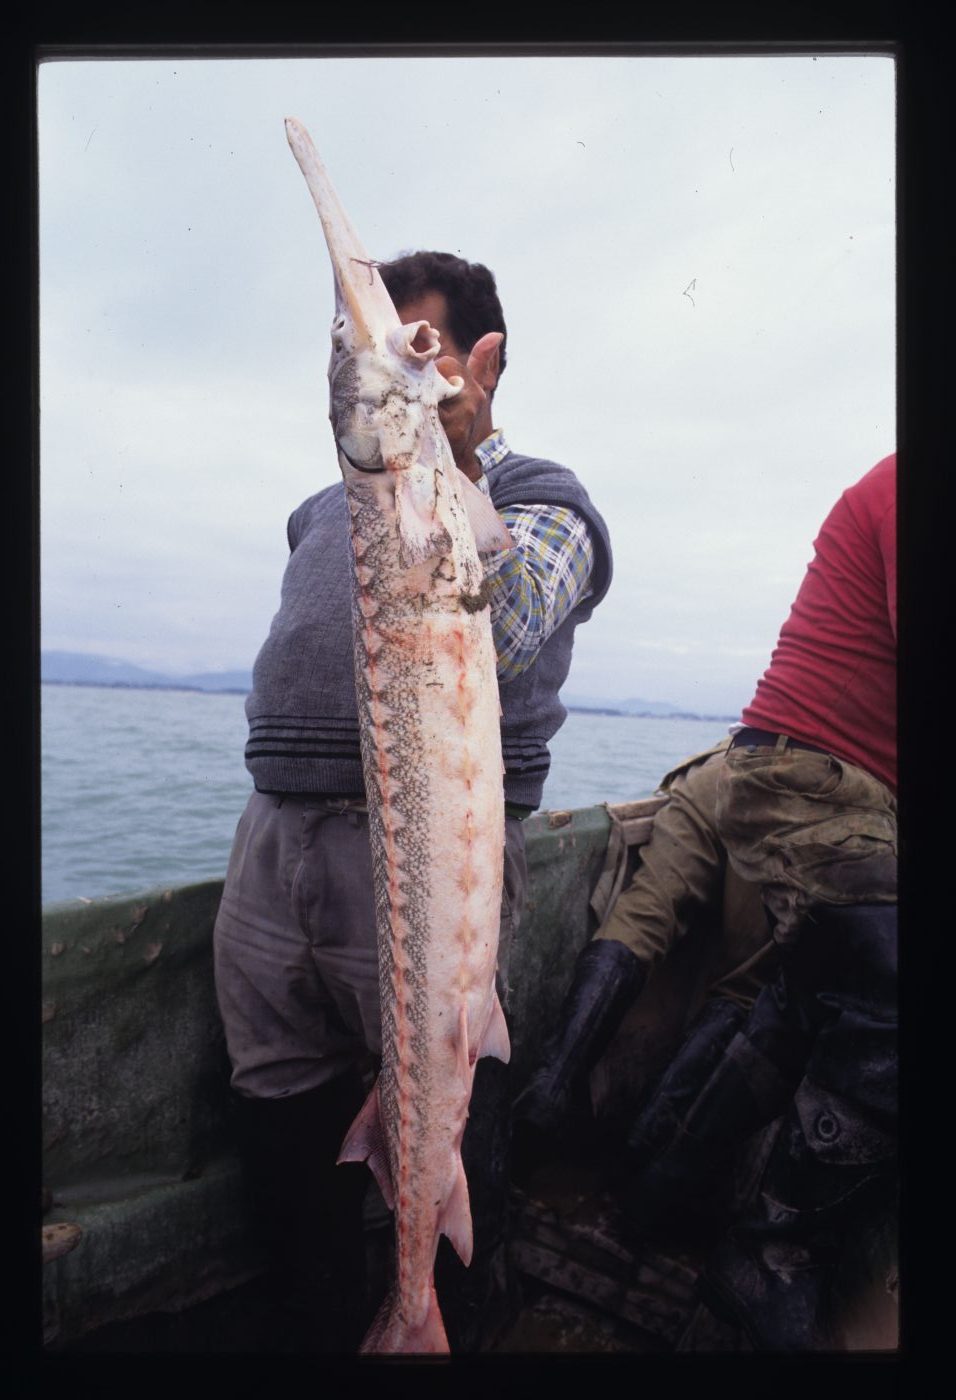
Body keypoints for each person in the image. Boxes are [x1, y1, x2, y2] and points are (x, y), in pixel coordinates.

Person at [212, 251, 612, 1352]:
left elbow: (506, 626)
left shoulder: (545, 497)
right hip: (273, 848)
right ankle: (320, 1328)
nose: (395, 374)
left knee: (447, 1115)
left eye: (419, 349)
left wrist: (458, 460)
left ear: (482, 363)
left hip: (438, 858)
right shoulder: (322, 507)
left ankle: (449, 1324)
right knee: (279, 1111)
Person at [699, 452, 898, 1351]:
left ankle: (667, 1181)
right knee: (900, 989)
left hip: (839, 792)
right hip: (810, 781)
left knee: (823, 983)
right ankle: (770, 1254)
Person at [512, 740, 812, 1240]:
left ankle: (549, 1087)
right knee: (748, 985)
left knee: (643, 917)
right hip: (817, 795)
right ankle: (644, 1168)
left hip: (727, 766)